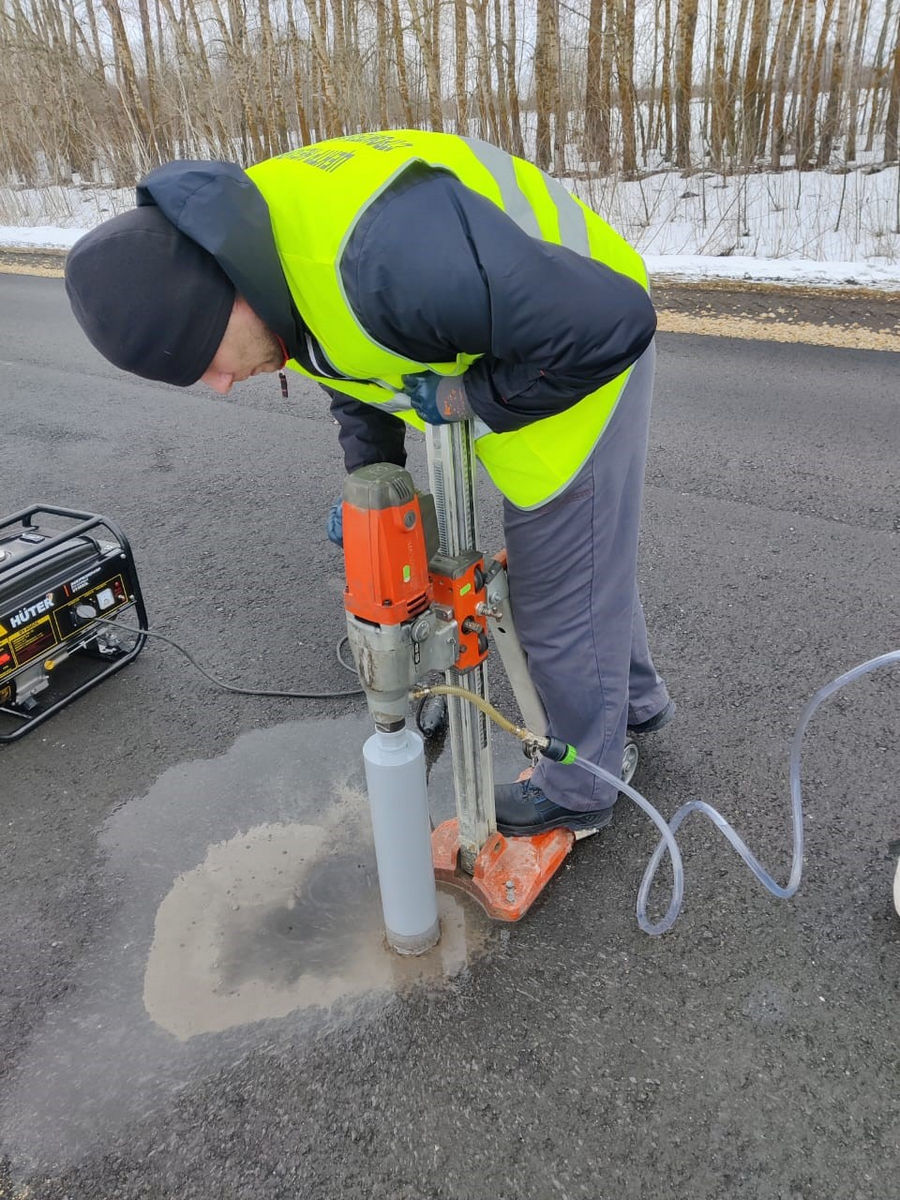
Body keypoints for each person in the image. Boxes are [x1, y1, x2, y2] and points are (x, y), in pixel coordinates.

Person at [64, 129, 673, 838]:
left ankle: (585, 784)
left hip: (576, 342)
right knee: (584, 568)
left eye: (207, 360)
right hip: (516, 325)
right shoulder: (261, 261)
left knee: (556, 591)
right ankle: (633, 701)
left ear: (223, 297)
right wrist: (372, 476)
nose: (222, 385)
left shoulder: (382, 259)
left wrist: (468, 399)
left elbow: (614, 324)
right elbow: (349, 360)